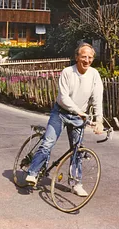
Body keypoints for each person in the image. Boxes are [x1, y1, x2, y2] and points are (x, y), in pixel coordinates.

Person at [25, 42, 104, 197]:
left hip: (78, 118)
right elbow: (63, 98)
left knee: (77, 150)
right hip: (60, 113)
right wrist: (79, 111)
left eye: (90, 57)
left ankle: (76, 183)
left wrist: (99, 120)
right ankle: (32, 173)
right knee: (48, 143)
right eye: (83, 57)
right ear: (76, 57)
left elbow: (97, 99)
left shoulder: (94, 74)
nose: (86, 60)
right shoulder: (68, 72)